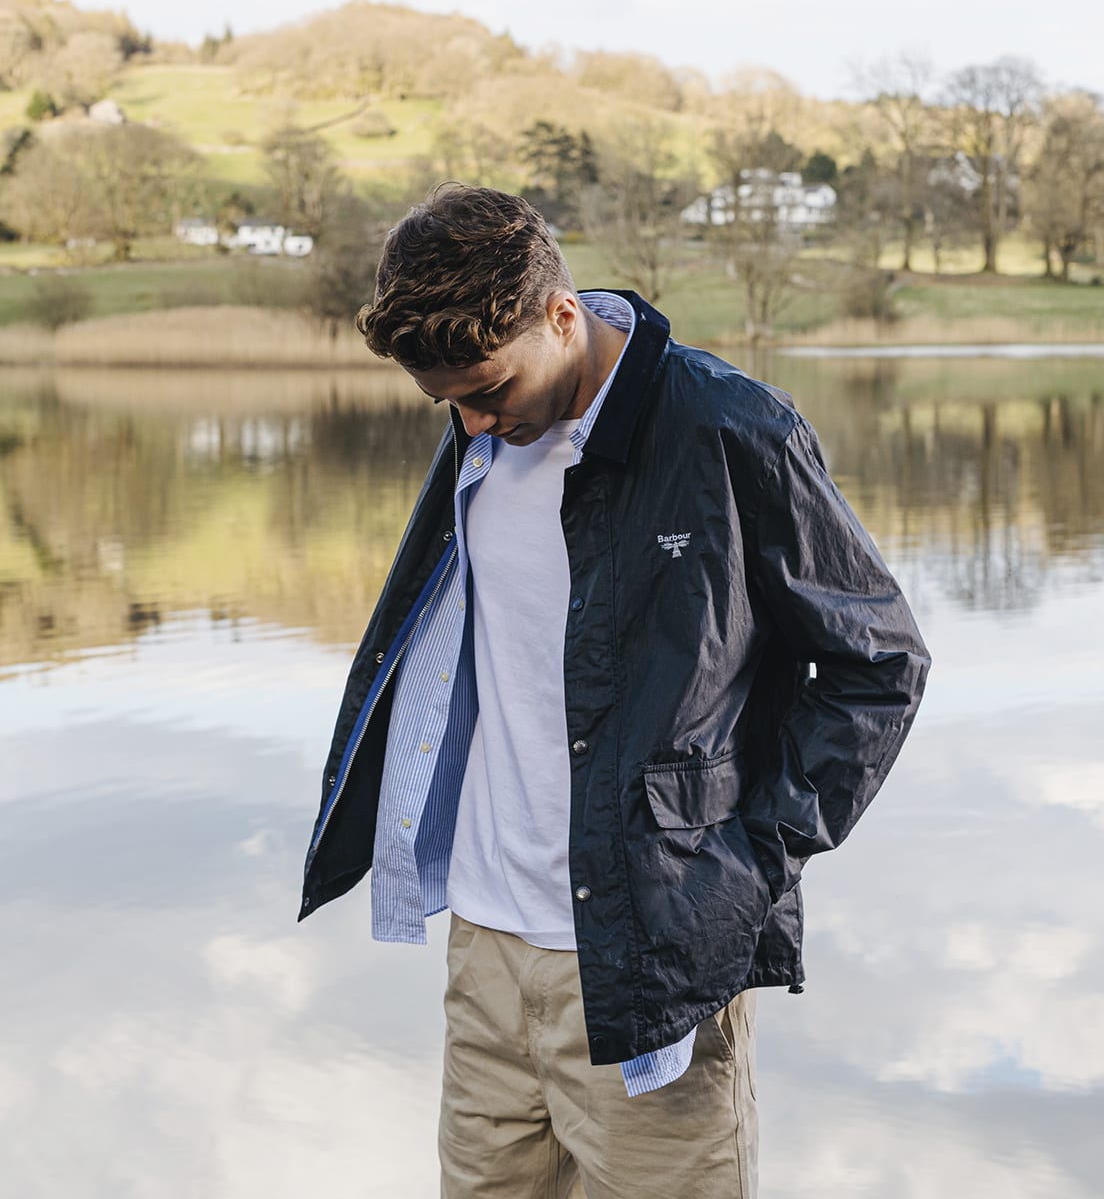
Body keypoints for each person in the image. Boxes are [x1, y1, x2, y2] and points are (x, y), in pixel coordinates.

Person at [298, 184, 929, 1198]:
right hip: (489, 954)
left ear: (561, 315)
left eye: (488, 390)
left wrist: (753, 853)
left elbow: (880, 662)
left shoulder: (729, 428)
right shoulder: (482, 433)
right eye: (447, 403)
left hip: (650, 957)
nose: (472, 420)